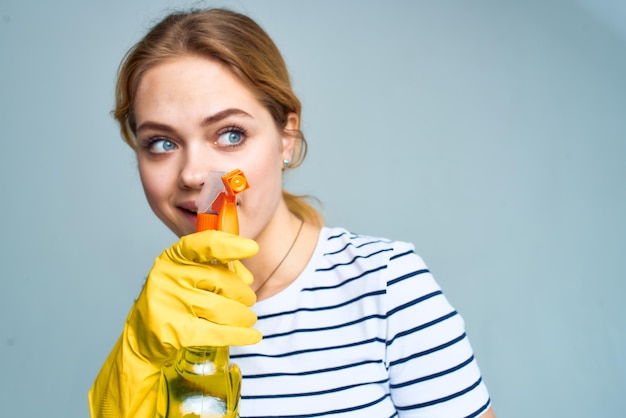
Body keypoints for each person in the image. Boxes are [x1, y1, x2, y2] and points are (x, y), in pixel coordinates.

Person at [88, 7, 495, 418]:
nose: (194, 174)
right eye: (161, 143)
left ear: (286, 137)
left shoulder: (387, 288)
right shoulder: (161, 318)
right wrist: (138, 351)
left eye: (231, 135)